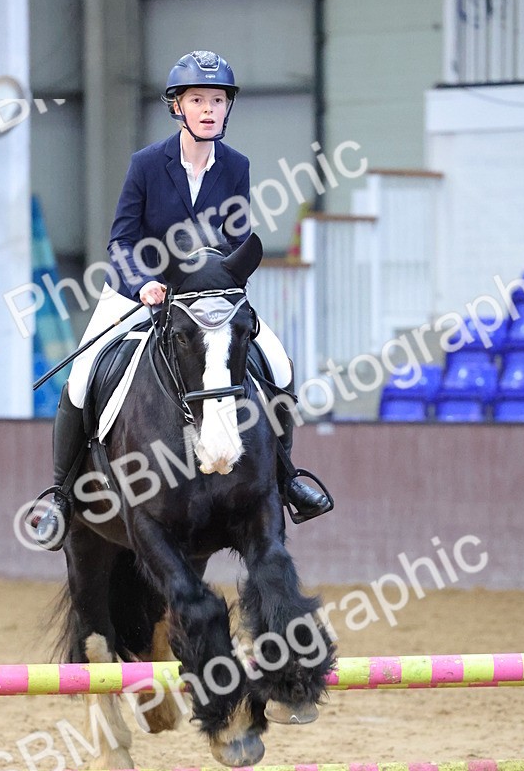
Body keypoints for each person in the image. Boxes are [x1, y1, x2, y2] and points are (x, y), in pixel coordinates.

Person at [34, 50, 331, 549]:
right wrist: (144, 282)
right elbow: (122, 240)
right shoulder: (147, 165)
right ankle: (61, 496)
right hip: (138, 292)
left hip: (208, 298)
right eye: (199, 100)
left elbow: (237, 239)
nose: (210, 109)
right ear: (179, 107)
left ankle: (286, 477)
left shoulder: (236, 166)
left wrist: (227, 283)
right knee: (82, 380)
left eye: (218, 100)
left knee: (278, 364)